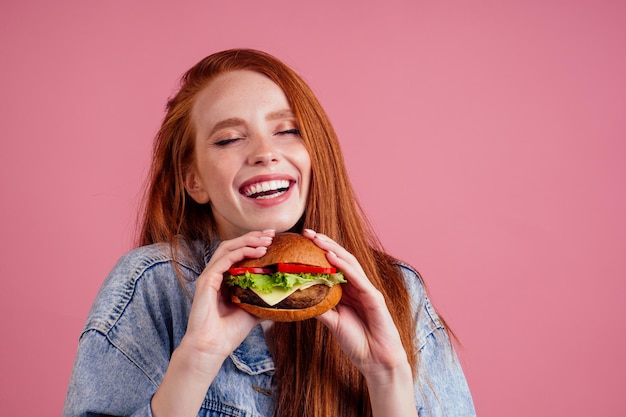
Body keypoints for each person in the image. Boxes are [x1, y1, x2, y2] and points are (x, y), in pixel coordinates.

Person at [63, 48, 476, 417]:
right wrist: (197, 361)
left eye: (287, 130)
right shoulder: (153, 285)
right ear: (194, 181)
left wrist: (386, 377)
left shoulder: (397, 291)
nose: (264, 152)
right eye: (228, 139)